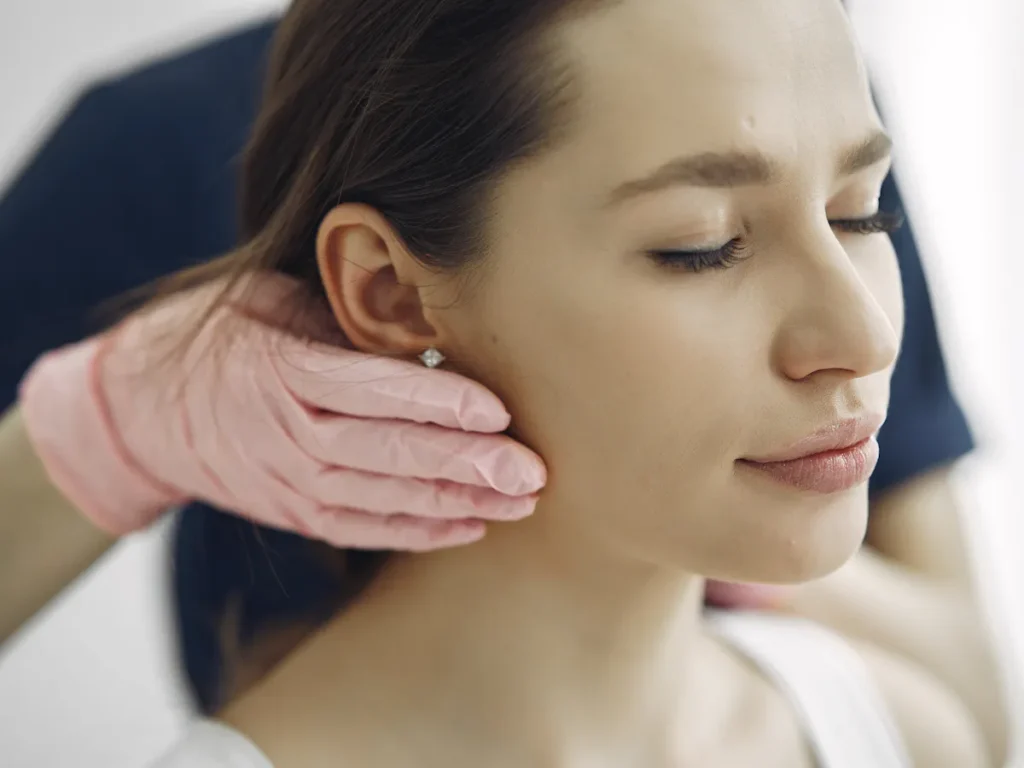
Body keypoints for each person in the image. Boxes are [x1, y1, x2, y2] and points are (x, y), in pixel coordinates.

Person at [0, 0, 1006, 763]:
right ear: (391, 293)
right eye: (700, 248)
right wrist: (101, 432)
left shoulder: (893, 726)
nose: (862, 336)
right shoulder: (154, 139)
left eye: (859, 212)